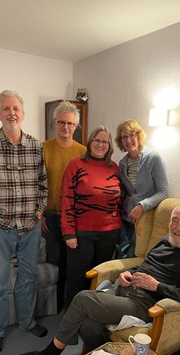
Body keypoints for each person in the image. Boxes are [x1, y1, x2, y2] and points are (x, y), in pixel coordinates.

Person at [9, 205, 180, 355]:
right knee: (88, 324)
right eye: (175, 220)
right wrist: (130, 273)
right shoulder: (166, 241)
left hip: (143, 304)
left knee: (82, 298)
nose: (178, 227)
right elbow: (147, 266)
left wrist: (157, 287)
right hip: (123, 289)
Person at [0, 90, 48, 353]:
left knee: (27, 278)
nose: (11, 113)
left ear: (23, 114)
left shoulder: (35, 146)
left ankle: (27, 322)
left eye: (15, 108)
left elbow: (42, 184)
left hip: (29, 226)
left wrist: (39, 211)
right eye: (6, 109)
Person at [61, 126, 122, 309]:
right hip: (81, 234)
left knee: (101, 278)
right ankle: (71, 319)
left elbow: (120, 199)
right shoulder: (76, 165)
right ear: (90, 142)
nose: (100, 144)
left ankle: (91, 316)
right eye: (97, 140)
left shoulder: (114, 168)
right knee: (76, 277)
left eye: (105, 141)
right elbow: (66, 199)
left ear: (109, 146)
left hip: (109, 233)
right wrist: (69, 233)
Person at [42, 101, 86, 310]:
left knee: (74, 263)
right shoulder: (43, 148)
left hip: (76, 219)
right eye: (61, 122)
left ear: (76, 125)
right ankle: (57, 304)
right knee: (55, 261)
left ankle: (72, 304)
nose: (65, 127)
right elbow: (35, 184)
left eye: (70, 123)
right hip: (50, 215)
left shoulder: (83, 152)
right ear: (54, 123)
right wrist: (39, 214)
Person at [115, 119, 168, 257]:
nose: (128, 140)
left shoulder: (153, 158)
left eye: (131, 135)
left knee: (137, 257)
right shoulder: (122, 163)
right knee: (123, 255)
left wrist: (141, 206)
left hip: (145, 219)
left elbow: (163, 192)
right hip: (126, 220)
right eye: (124, 137)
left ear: (138, 135)